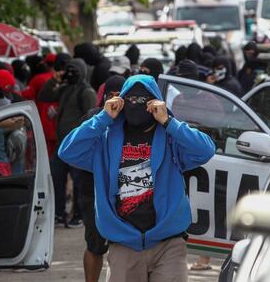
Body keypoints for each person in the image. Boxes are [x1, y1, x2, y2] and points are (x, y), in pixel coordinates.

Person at [59, 75, 215, 282]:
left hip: (168, 242)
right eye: (131, 100)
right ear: (121, 102)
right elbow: (67, 151)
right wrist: (103, 118)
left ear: (155, 103)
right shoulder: (105, 138)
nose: (136, 105)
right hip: (124, 243)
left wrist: (169, 121)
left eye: (144, 101)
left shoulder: (170, 137)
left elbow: (205, 150)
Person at [38, 58, 96, 227]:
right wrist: (55, 80)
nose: (70, 74)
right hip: (61, 144)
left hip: (76, 145)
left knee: (79, 182)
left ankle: (78, 214)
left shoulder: (86, 92)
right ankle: (59, 213)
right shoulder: (66, 88)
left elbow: (90, 118)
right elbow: (44, 96)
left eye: (73, 71)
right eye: (67, 70)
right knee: (57, 178)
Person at [79, 75, 126, 282]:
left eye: (120, 97)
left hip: (124, 190)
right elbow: (74, 151)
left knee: (125, 247)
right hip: (94, 191)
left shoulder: (132, 119)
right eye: (112, 96)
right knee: (95, 245)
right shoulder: (93, 118)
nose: (115, 101)